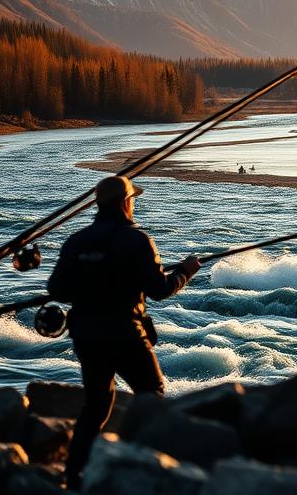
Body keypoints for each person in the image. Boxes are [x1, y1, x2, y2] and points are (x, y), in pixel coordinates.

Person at [48, 175, 201, 490]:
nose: (134, 204)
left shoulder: (76, 241)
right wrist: (184, 272)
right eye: (133, 199)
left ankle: (74, 474)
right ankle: (149, 466)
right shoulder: (137, 240)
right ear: (125, 203)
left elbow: (56, 289)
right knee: (152, 397)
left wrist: (88, 280)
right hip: (125, 335)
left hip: (86, 337)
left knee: (97, 404)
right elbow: (159, 290)